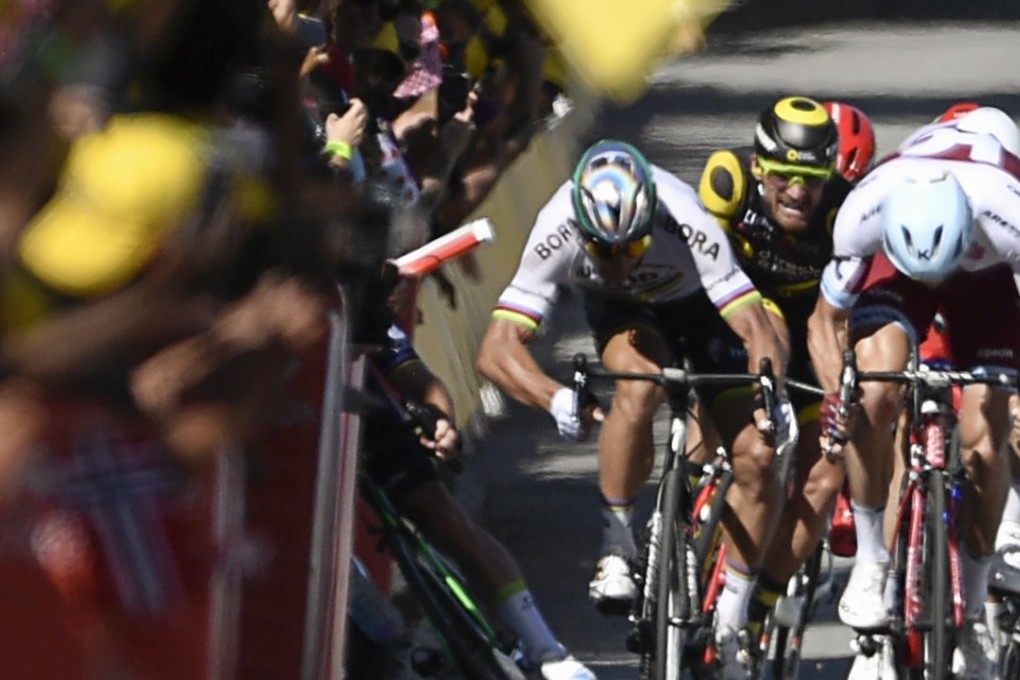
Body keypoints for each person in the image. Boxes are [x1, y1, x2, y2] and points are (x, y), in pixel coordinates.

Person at [476, 139, 790, 678]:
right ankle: (617, 543)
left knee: (758, 458)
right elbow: (495, 349)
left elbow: (754, 326)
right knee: (640, 386)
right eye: (604, 251)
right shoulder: (557, 227)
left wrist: (770, 398)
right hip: (626, 314)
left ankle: (732, 618)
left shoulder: (685, 219)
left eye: (633, 246)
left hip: (701, 308)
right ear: (581, 231)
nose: (620, 261)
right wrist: (555, 398)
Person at [807, 108, 1020, 678]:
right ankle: (872, 561)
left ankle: (973, 607)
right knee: (873, 390)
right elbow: (825, 320)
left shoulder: (1009, 214)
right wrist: (838, 398)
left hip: (989, 277)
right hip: (897, 267)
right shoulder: (864, 212)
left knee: (986, 441)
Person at [360, 264, 596, 680]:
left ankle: (548, 650)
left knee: (440, 513)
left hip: (364, 410)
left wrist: (441, 422)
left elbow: (422, 381)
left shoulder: (364, 314)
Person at [696, 96, 865, 645]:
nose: (797, 192)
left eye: (811, 180)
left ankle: (758, 607)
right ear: (757, 166)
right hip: (738, 309)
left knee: (825, 474)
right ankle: (685, 503)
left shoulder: (844, 210)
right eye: (783, 177)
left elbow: (839, 315)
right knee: (752, 353)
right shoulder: (727, 182)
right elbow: (695, 276)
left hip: (813, 323)